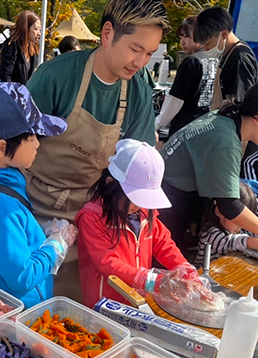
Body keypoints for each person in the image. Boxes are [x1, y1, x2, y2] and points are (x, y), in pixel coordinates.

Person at [26, 0, 170, 300]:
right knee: (36, 301)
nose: (141, 61)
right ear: (107, 33)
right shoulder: (57, 77)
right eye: (135, 48)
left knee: (81, 306)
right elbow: (13, 147)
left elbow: (137, 167)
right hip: (37, 207)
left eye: (148, 53)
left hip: (94, 214)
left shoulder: (138, 89)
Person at [158, 75, 258, 256]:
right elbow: (230, 207)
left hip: (172, 200)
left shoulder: (224, 121)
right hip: (166, 206)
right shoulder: (225, 139)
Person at [0, 83, 71, 307]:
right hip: (16, 312)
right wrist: (56, 246)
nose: (38, 143)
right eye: (31, 137)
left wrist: (41, 233)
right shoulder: (0, 208)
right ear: (0, 148)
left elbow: (7, 240)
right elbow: (22, 277)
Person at [76, 139, 193, 308]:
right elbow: (108, 264)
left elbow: (163, 243)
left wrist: (184, 269)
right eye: (134, 198)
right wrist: (154, 281)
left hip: (136, 300)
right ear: (110, 184)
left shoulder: (144, 212)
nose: (139, 205)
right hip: (104, 304)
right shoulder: (92, 218)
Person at [195, 182, 258, 265]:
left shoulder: (236, 227)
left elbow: (253, 234)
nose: (241, 227)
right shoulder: (211, 234)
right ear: (219, 212)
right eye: (238, 220)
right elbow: (245, 241)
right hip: (210, 278)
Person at [156, 16, 220, 136]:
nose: (183, 42)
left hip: (184, 130)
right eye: (181, 37)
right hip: (206, 128)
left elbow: (175, 100)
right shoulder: (216, 60)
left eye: (187, 36)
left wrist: (158, 123)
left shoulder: (191, 62)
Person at [193, 6, 258, 110]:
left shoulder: (239, 57)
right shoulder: (226, 53)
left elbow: (239, 103)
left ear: (223, 34)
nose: (206, 49)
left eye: (208, 44)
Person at [0, 11, 40, 84]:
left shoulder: (33, 48)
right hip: (12, 92)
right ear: (26, 28)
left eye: (39, 29)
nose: (39, 33)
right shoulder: (11, 45)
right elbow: (5, 76)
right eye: (36, 29)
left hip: (26, 93)